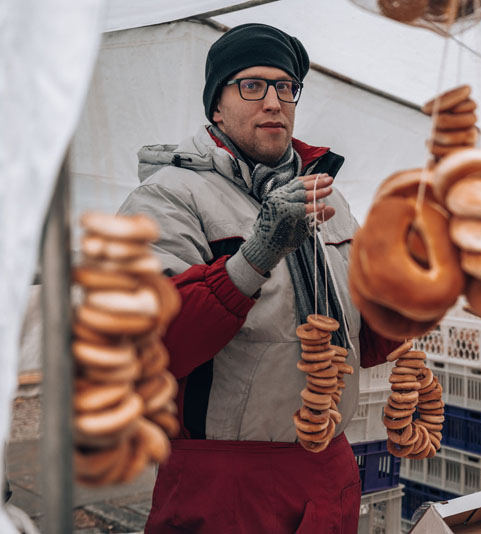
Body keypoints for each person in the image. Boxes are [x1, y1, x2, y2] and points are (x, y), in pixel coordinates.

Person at [118, 23, 398, 533]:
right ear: (216, 106)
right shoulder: (167, 198)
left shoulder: (329, 197)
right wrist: (256, 255)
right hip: (221, 480)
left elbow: (363, 343)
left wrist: (420, 290)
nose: (274, 102)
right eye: (252, 85)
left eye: (285, 87)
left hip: (325, 467)